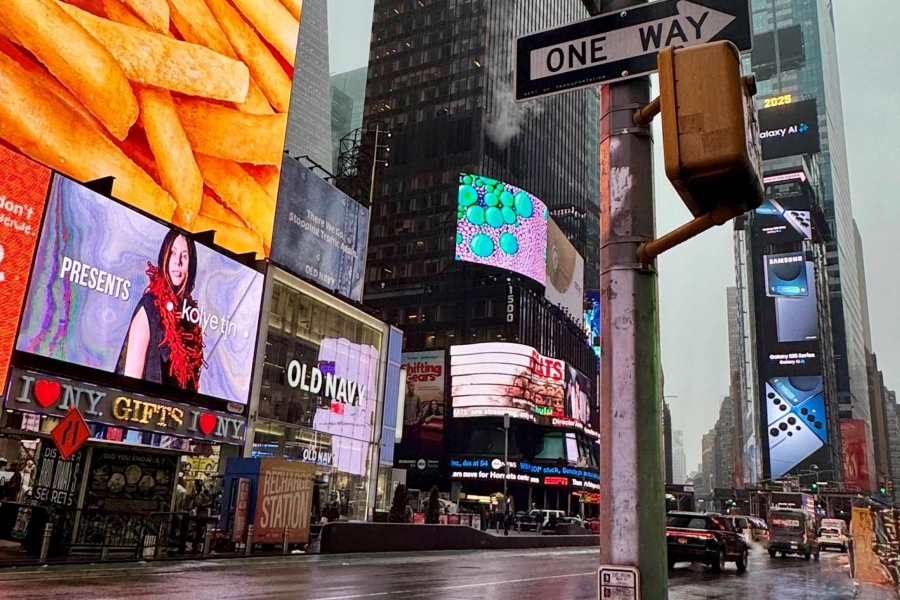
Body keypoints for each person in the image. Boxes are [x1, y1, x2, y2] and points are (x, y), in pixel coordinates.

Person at [117, 230, 204, 391]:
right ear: (164, 257)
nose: (178, 262)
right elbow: (130, 381)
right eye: (173, 253)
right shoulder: (149, 306)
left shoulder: (190, 317)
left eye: (184, 256)